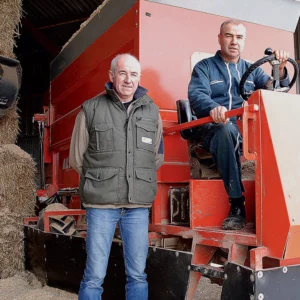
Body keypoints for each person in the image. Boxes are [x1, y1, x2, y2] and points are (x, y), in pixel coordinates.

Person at [69, 53, 164, 300]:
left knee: (138, 275)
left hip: (137, 206)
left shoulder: (152, 111)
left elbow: (156, 156)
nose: (128, 79)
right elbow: (78, 158)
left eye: (133, 74)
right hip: (102, 204)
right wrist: (103, 182)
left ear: (139, 78)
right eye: (122, 73)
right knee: (94, 277)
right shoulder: (90, 109)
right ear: (112, 76)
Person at [188, 19, 290, 230]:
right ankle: (237, 205)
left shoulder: (251, 69)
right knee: (227, 130)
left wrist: (279, 70)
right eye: (229, 36)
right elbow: (196, 95)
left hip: (245, 127)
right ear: (220, 38)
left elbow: (276, 91)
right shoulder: (205, 67)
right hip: (213, 126)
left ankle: (284, 201)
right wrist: (213, 108)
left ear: (244, 42)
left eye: (239, 37)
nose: (234, 41)